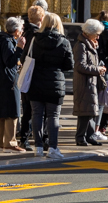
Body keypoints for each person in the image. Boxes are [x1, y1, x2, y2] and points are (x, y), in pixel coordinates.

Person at [26, 12, 73, 158]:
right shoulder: (64, 42)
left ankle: (38, 147)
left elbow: (25, 58)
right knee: (53, 116)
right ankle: (53, 147)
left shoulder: (34, 39)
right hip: (55, 83)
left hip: (35, 82)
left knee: (36, 114)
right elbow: (69, 65)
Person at [0, 16, 25, 153]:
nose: (22, 31)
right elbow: (10, 62)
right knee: (12, 112)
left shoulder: (0, 40)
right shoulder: (8, 42)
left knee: (2, 113)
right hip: (8, 81)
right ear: (16, 30)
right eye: (21, 29)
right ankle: (9, 143)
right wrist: (19, 48)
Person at [72, 19, 108, 146]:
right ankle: (81, 137)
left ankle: (89, 135)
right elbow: (80, 66)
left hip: (90, 82)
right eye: (97, 34)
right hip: (84, 82)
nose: (98, 36)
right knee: (85, 111)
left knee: (92, 111)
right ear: (89, 33)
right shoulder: (81, 45)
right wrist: (98, 69)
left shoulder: (89, 44)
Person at [17, 1, 47, 150]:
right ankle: (33, 138)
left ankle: (24, 137)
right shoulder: (37, 35)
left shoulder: (24, 32)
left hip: (26, 74)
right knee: (37, 110)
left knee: (26, 109)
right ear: (41, 19)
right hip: (35, 75)